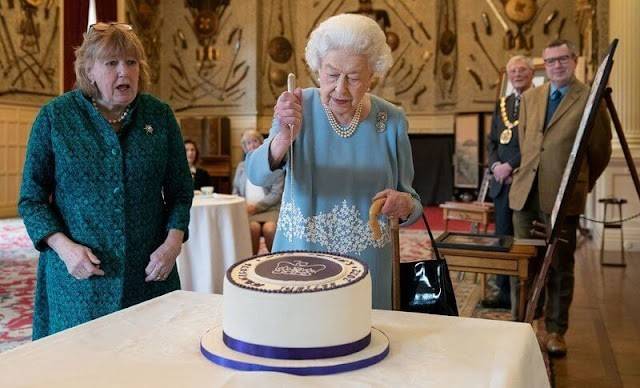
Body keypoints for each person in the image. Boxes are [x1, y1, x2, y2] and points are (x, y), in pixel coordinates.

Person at [18, 22, 193, 339]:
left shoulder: (160, 116)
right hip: (78, 283)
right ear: (89, 70)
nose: (124, 72)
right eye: (112, 63)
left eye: (131, 62)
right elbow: (31, 200)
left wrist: (172, 244)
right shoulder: (56, 117)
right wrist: (65, 248)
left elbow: (181, 193)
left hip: (149, 277)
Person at [245, 13, 423, 309]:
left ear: (372, 76)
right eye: (331, 75)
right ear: (317, 69)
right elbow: (256, 174)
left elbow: (413, 201)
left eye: (353, 78)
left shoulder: (391, 120)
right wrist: (282, 139)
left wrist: (404, 204)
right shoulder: (297, 105)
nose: (340, 88)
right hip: (302, 263)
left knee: (366, 345)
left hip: (369, 268)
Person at [509, 39, 612, 355]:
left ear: (575, 60)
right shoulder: (532, 97)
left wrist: (581, 185)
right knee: (525, 264)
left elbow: (600, 152)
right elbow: (528, 144)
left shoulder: (589, 100)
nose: (556, 65)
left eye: (562, 59)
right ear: (544, 64)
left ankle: (556, 330)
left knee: (559, 267)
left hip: (562, 199)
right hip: (525, 194)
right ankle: (526, 323)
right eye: (550, 60)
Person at [483, 55, 534, 309]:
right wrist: (495, 166)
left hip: (525, 181)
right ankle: (502, 293)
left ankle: (527, 295)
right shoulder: (503, 103)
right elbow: (492, 140)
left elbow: (534, 143)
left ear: (531, 72)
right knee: (502, 237)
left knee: (523, 240)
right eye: (513, 71)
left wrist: (510, 166)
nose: (517, 74)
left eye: (522, 70)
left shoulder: (539, 101)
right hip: (501, 183)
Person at [233, 130, 284, 254]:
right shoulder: (241, 167)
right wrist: (242, 206)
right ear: (245, 148)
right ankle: (251, 262)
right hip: (248, 211)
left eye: (255, 141)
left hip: (271, 209)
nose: (252, 145)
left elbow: (276, 194)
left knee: (269, 229)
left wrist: (256, 207)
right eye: (248, 143)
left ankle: (276, 260)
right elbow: (236, 191)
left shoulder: (273, 163)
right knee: (253, 229)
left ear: (262, 143)